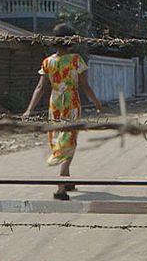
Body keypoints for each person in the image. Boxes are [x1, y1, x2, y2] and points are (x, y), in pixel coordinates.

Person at [22, 24, 103, 201]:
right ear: (71, 41)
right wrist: (97, 103)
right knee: (70, 140)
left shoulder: (48, 62)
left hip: (55, 103)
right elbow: (85, 86)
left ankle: (66, 179)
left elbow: (40, 88)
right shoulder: (76, 60)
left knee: (61, 138)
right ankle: (60, 187)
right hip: (71, 103)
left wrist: (29, 110)